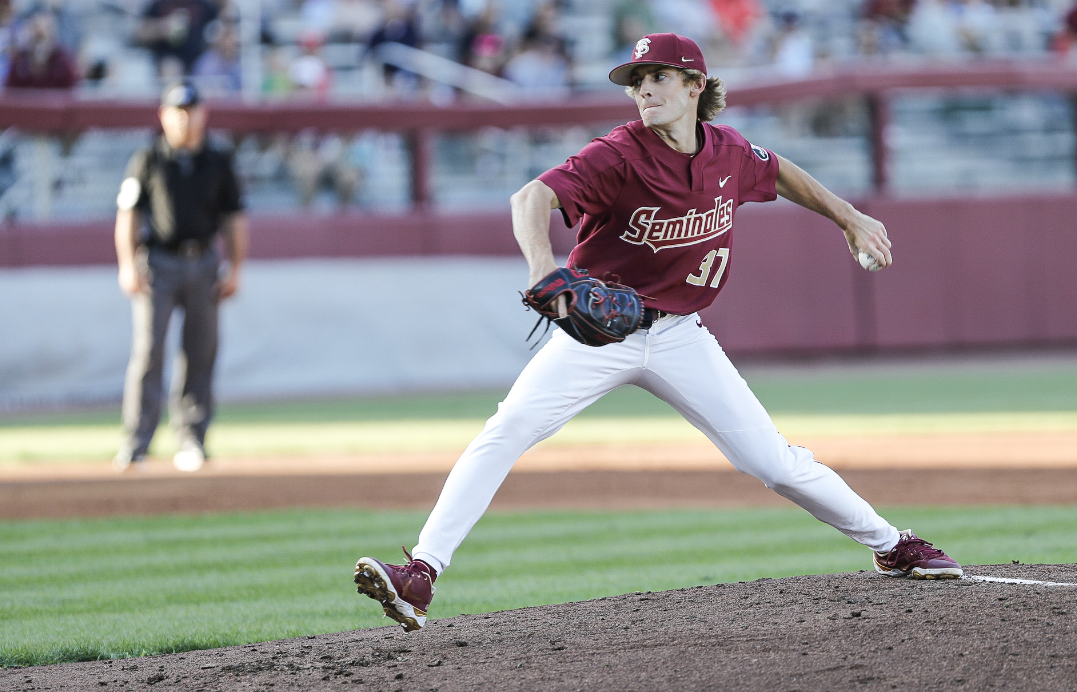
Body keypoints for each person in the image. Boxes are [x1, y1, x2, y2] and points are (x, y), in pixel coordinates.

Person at [353, 33, 963, 633]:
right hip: (599, 335)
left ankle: (891, 544)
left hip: (680, 336)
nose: (645, 91)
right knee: (507, 429)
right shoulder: (617, 154)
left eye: (659, 78)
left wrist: (850, 218)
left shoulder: (727, 151)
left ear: (696, 86)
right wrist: (545, 267)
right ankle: (420, 574)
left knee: (773, 462)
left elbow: (778, 174)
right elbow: (530, 196)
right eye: (637, 83)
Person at [112, 82, 248, 473]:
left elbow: (234, 218)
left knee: (201, 350)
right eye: (178, 110)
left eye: (192, 109)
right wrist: (126, 263)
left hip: (204, 260)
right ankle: (137, 441)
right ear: (164, 115)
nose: (186, 117)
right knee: (149, 351)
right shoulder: (149, 158)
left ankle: (192, 438)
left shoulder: (218, 160)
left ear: (204, 114)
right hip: (159, 262)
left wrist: (235, 267)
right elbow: (128, 215)